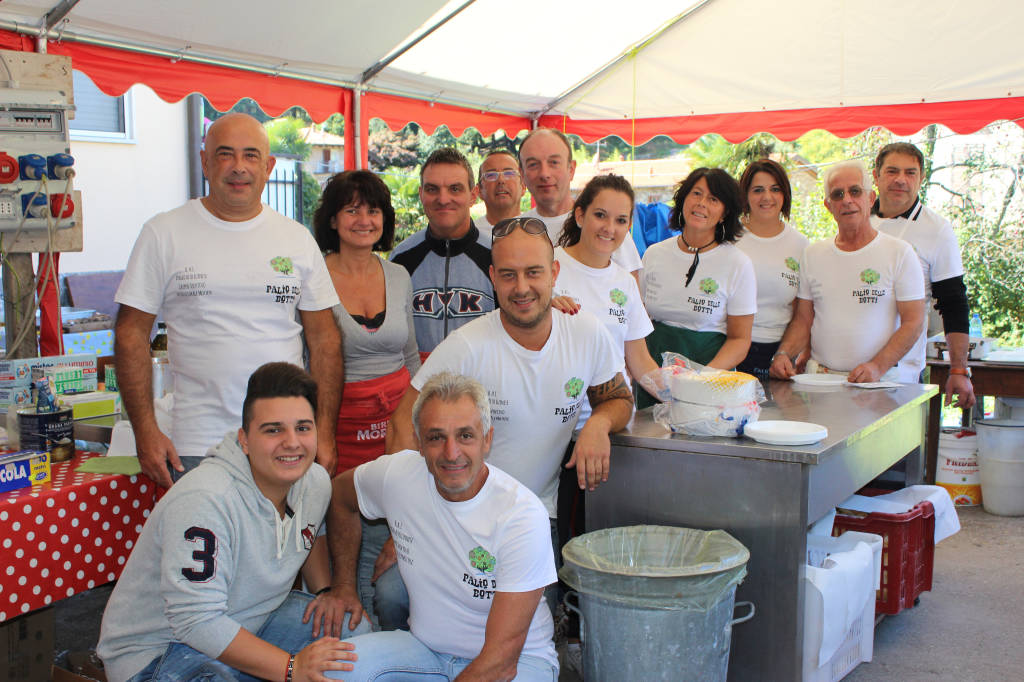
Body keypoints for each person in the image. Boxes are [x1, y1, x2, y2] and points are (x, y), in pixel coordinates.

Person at [384, 217, 632, 621]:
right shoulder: (468, 345)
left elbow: (619, 398)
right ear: (492, 278)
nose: (521, 287)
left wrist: (598, 424)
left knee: (532, 625)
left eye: (533, 272)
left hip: (534, 516)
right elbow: (402, 423)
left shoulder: (586, 333)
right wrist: (406, 520)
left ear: (554, 273)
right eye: (508, 275)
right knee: (391, 595)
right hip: (454, 516)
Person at [97, 362, 369, 682]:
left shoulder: (315, 481)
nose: (292, 442)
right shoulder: (206, 498)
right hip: (157, 650)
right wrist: (291, 668)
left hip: (252, 619)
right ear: (244, 439)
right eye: (273, 430)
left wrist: (325, 592)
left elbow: (310, 532)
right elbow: (196, 622)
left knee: (351, 632)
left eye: (303, 428)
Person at [114, 113, 342, 487]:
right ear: (205, 162)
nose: (239, 167)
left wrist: (324, 431)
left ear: (268, 167)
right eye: (225, 154)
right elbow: (129, 334)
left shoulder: (296, 239)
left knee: (292, 529)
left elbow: (325, 341)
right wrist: (146, 431)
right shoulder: (163, 233)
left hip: (287, 441)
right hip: (199, 444)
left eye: (251, 155)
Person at [313, 372, 558, 680]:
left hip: (519, 663)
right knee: (329, 671)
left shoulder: (521, 516)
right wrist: (342, 587)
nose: (451, 453)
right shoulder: (398, 476)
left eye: (465, 436)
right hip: (426, 651)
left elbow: (500, 662)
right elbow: (339, 496)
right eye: (436, 437)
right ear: (419, 442)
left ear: (487, 439)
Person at [312, 169, 419, 629]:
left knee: (394, 523)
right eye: (352, 209)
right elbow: (309, 356)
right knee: (341, 517)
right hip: (338, 427)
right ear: (333, 219)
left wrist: (414, 423)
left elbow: (410, 354)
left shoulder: (398, 274)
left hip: (396, 426)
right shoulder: (314, 275)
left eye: (373, 210)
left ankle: (393, 626)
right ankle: (350, 622)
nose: (364, 220)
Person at [770, 161, 926, 383]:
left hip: (879, 383)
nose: (847, 200)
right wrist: (783, 354)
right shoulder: (813, 254)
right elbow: (803, 320)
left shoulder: (900, 253)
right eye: (837, 194)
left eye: (855, 191)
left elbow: (914, 322)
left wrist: (877, 367)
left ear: (871, 198)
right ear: (828, 205)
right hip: (821, 381)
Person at [638, 167, 756, 409]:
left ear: (724, 213)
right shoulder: (654, 254)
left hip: (709, 382)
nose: (702, 203)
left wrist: (702, 379)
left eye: (713, 199)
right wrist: (652, 375)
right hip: (654, 378)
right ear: (683, 199)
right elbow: (636, 323)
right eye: (696, 193)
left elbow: (740, 340)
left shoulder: (737, 263)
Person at [871, 142, 976, 408]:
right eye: (892, 171)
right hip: (847, 368)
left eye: (910, 173)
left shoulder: (937, 230)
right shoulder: (857, 219)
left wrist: (959, 369)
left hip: (902, 373)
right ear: (876, 175)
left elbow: (953, 303)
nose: (901, 180)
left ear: (921, 179)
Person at [390, 147, 494, 357]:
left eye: (455, 189)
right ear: (421, 194)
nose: (443, 199)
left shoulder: (498, 255)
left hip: (482, 375)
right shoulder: (401, 259)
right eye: (432, 189)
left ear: (473, 195)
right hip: (419, 376)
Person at [518, 128, 643, 277]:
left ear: (571, 169)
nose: (544, 173)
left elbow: (630, 285)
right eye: (533, 164)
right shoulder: (513, 231)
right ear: (522, 174)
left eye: (554, 162)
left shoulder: (605, 225)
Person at [735, 159, 810, 378]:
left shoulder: (800, 245)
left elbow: (803, 313)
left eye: (775, 189)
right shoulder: (729, 240)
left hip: (782, 355)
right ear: (745, 196)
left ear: (785, 194)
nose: (767, 197)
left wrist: (785, 353)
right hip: (732, 350)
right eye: (758, 190)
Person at [477, 150, 526, 232]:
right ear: (479, 190)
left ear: (523, 186)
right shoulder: (471, 235)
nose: (501, 180)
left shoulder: (538, 230)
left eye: (509, 173)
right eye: (491, 175)